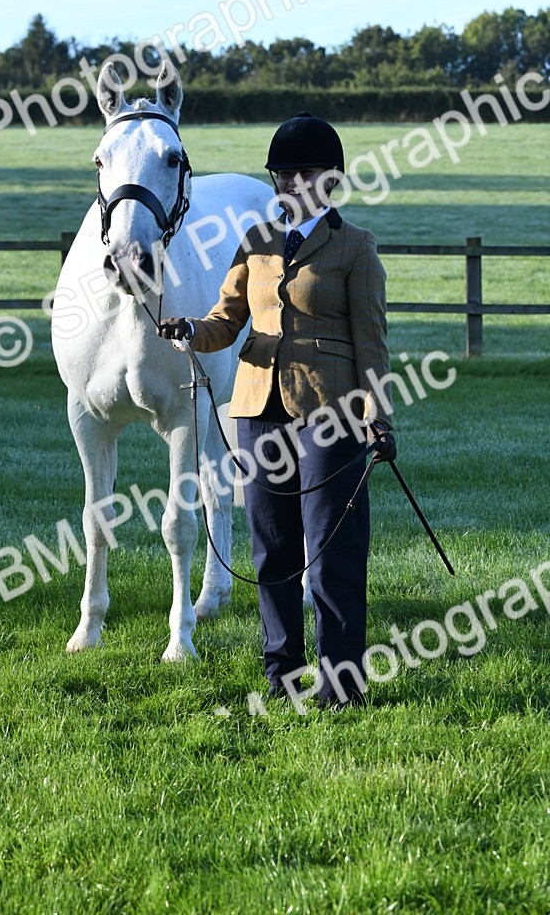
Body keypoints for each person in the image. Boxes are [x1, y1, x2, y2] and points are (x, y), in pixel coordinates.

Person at [158, 112, 396, 710]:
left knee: (330, 553)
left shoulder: (355, 247)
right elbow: (227, 320)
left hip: (331, 413)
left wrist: (378, 414)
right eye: (282, 173)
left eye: (302, 172)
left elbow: (371, 339)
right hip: (257, 409)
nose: (290, 182)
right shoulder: (257, 242)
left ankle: (342, 684)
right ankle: (283, 676)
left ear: (331, 179)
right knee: (272, 549)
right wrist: (191, 330)